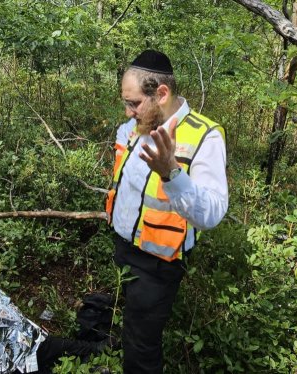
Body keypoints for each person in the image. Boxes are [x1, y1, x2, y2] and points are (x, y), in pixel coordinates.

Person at [105, 50, 228, 373]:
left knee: (142, 345)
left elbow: (213, 213)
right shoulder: (132, 127)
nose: (128, 111)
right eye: (126, 102)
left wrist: (171, 173)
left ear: (161, 93)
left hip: (159, 263)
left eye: (134, 103)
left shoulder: (205, 136)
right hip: (123, 247)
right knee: (128, 323)